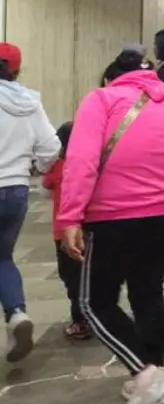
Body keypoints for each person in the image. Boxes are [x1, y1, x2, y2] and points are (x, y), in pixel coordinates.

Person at [60, 49, 164, 404]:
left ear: (112, 77)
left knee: (94, 303)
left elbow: (81, 160)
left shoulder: (101, 99)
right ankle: (154, 379)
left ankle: (146, 375)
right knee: (148, 293)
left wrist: (70, 217)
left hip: (112, 217)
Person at [0, 42, 60, 362]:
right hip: (17, 191)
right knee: (3, 257)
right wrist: (38, 166)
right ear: (17, 69)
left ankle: (16, 315)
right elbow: (51, 148)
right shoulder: (30, 101)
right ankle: (16, 313)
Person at [42, 121, 91, 340]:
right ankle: (93, 315)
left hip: (63, 232)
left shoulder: (58, 166)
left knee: (71, 277)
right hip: (89, 228)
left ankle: (80, 321)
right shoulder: (90, 164)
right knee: (89, 275)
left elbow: (46, 183)